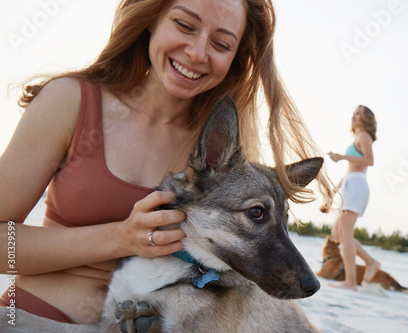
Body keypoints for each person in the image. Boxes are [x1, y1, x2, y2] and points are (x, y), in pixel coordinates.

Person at [0, 0, 334, 325]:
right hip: (32, 318)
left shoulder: (219, 152)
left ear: (235, 58)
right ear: (151, 18)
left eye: (221, 43)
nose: (197, 52)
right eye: (185, 25)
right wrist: (121, 237)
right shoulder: (70, 101)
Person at [327, 105, 380, 291]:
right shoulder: (357, 137)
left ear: (366, 119)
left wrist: (342, 157)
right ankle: (371, 262)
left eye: (359, 113)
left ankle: (350, 282)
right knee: (339, 234)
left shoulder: (364, 136)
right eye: (354, 113)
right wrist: (338, 186)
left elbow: (369, 161)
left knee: (345, 234)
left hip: (357, 185)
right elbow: (353, 168)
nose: (354, 116)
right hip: (351, 184)